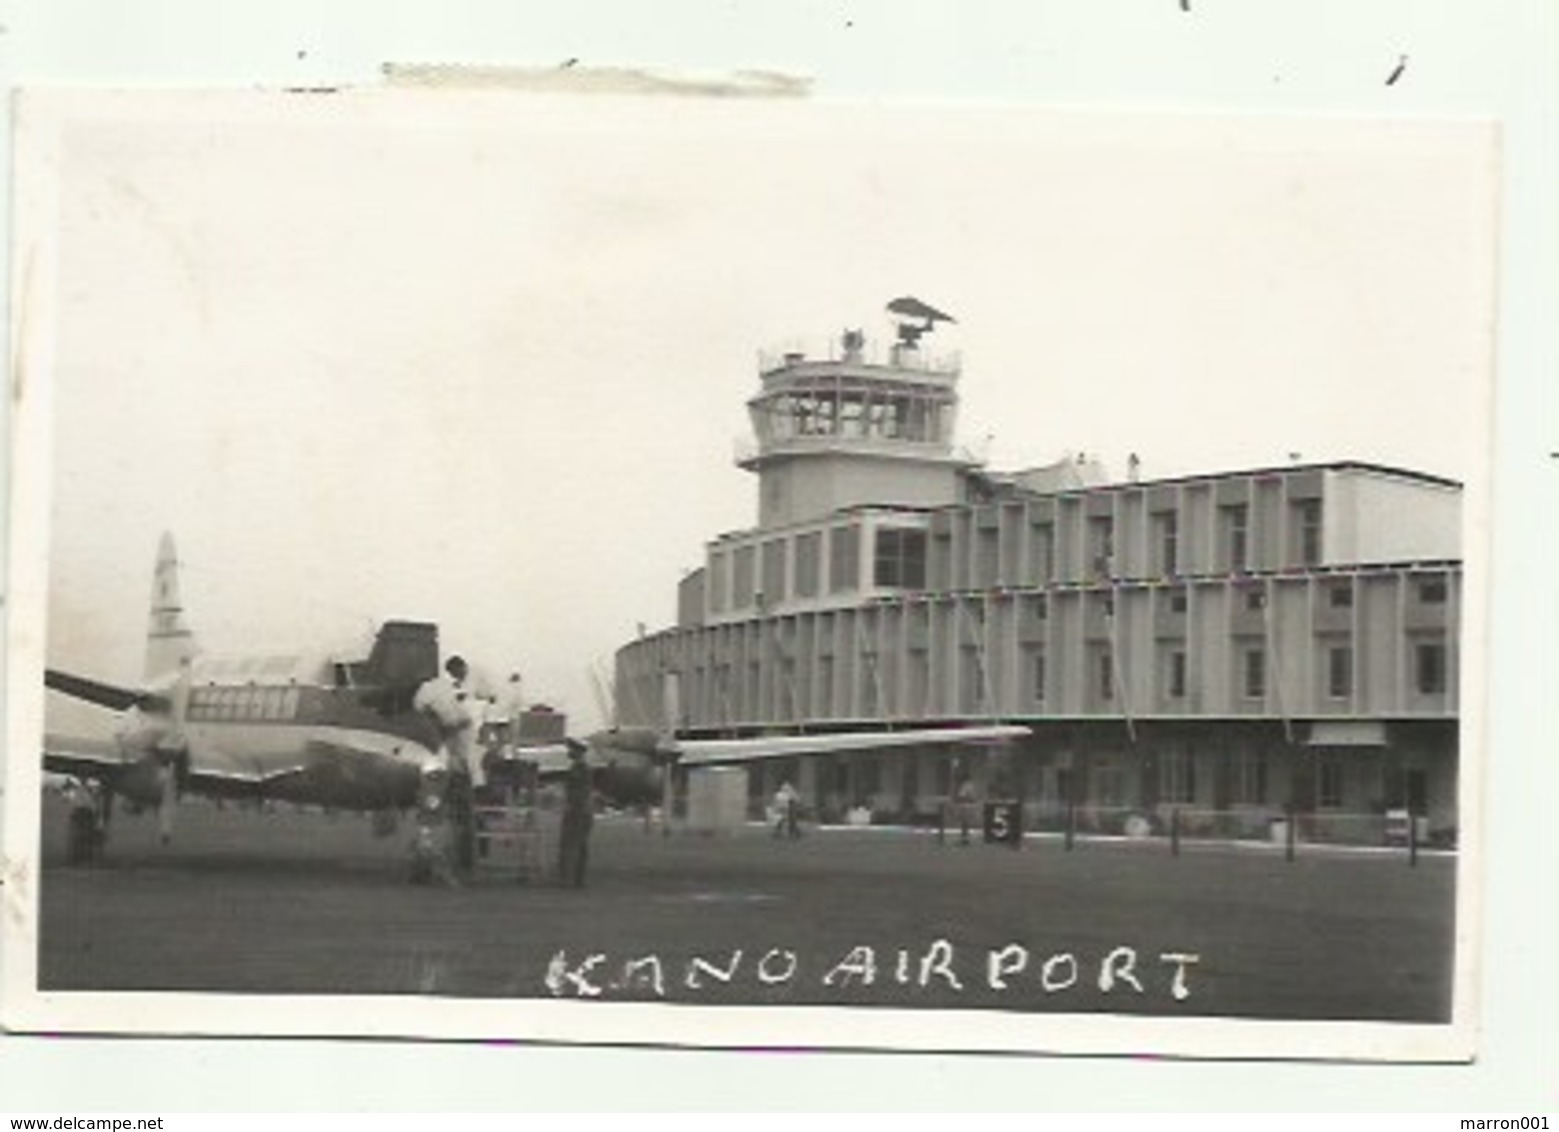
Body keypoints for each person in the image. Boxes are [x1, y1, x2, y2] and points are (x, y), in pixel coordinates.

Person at [414, 655, 480, 875]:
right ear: (457, 670)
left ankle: (462, 859)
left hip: (458, 761)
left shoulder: (452, 692)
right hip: (446, 760)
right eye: (463, 670)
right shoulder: (435, 689)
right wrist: (452, 726)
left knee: (448, 813)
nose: (465, 674)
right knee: (440, 812)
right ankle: (429, 860)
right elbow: (423, 713)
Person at [558, 738, 595, 888]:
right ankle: (575, 878)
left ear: (578, 751)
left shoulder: (580, 769)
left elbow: (580, 792)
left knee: (573, 844)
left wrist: (572, 806)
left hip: (578, 811)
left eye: (571, 749)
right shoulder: (579, 768)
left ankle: (572, 878)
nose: (569, 752)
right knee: (578, 845)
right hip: (580, 810)